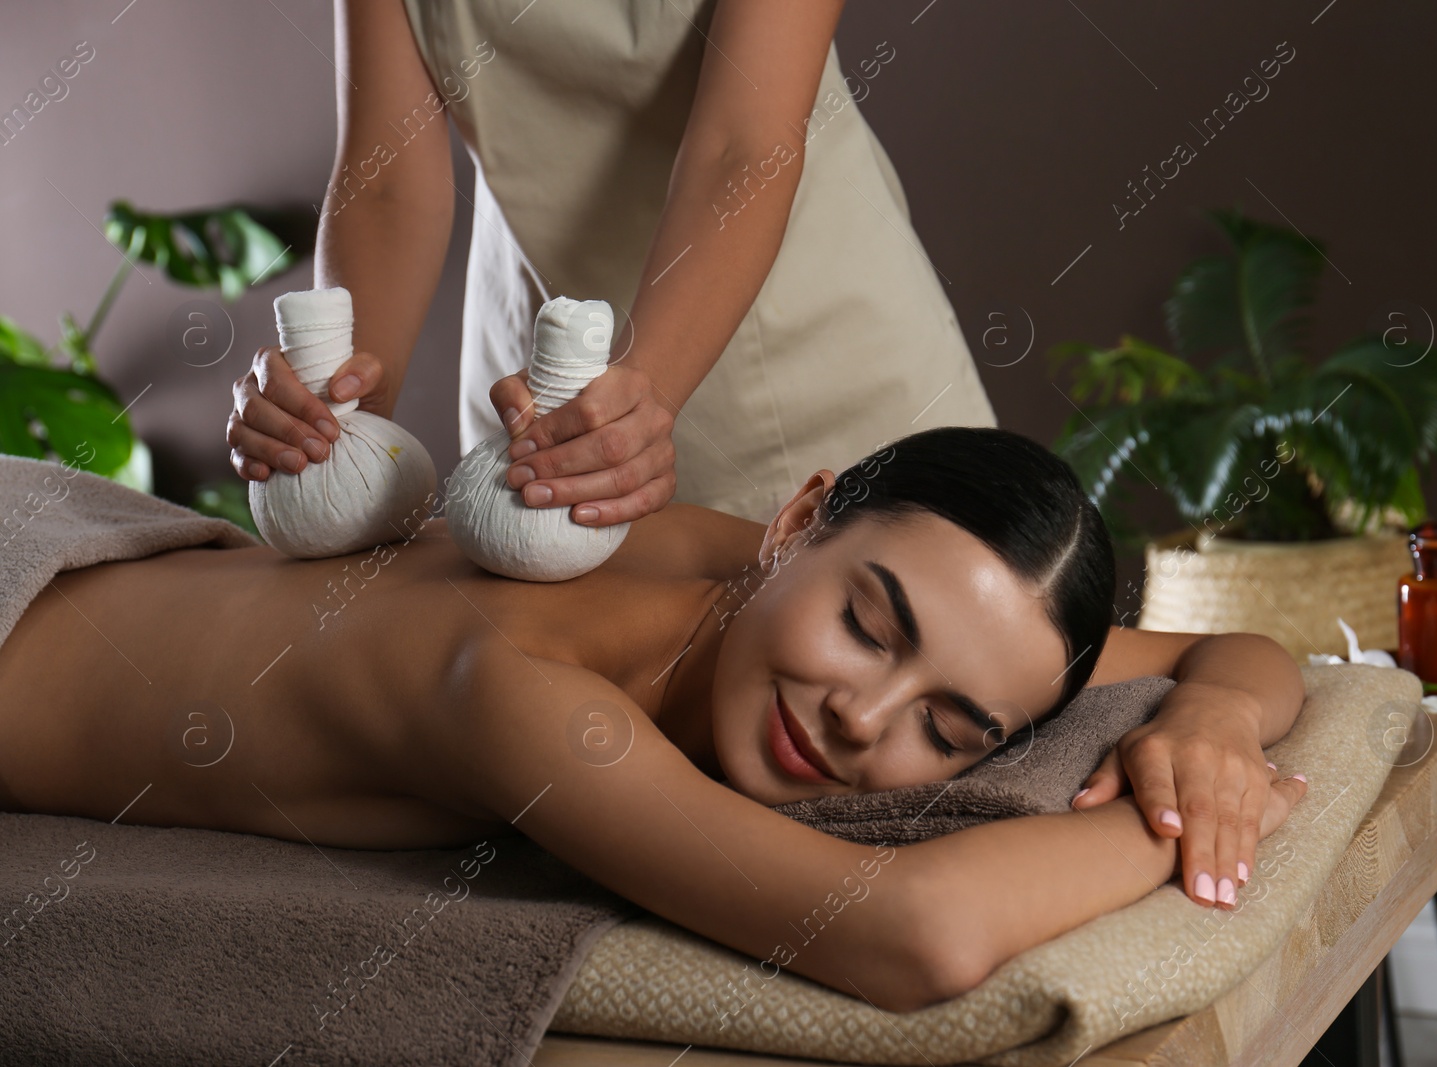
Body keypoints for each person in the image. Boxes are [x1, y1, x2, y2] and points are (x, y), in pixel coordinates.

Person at [0, 428, 1306, 1010]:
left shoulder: (752, 576)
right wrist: (1190, 820)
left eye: (950, 728)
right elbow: (913, 935)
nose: (862, 716)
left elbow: (1251, 653)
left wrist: (1214, 722)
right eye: (868, 624)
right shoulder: (518, 688)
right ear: (799, 520)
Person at [227, 0, 998, 527]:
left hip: (803, 363)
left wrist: (645, 391)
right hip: (534, 373)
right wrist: (341, 405)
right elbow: (387, 182)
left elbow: (743, 146)